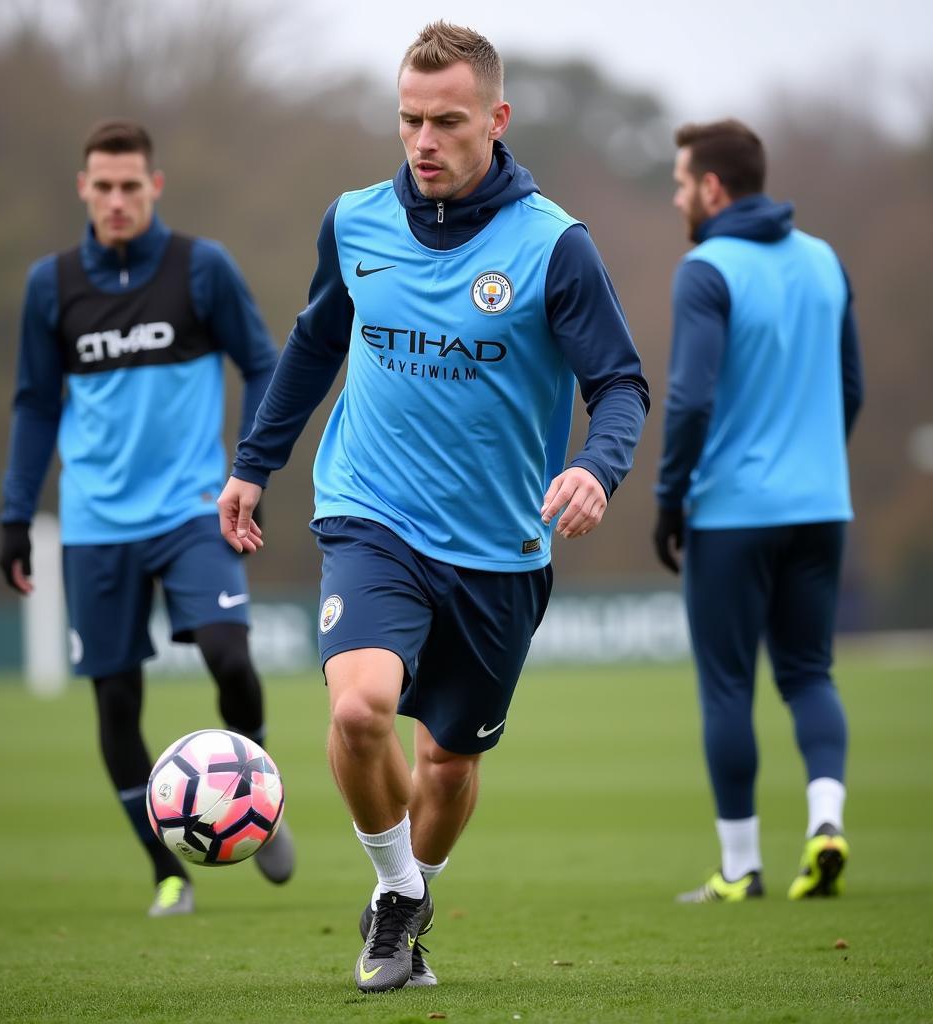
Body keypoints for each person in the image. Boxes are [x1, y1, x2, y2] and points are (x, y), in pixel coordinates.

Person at [218, 22, 649, 991]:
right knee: (360, 707)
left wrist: (596, 467)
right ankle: (396, 893)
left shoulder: (553, 245)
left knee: (446, 765)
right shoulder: (355, 221)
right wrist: (255, 460)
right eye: (408, 119)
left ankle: (401, 903)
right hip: (370, 512)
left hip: (500, 548)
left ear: (494, 119)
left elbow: (619, 383)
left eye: (446, 121)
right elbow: (314, 342)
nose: (422, 140)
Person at [0, 119, 294, 917]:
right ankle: (169, 871)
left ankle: (258, 794)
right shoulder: (49, 287)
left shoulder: (202, 269)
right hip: (95, 523)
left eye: (133, 185)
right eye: (105, 186)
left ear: (154, 186)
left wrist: (249, 470)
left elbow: (264, 363)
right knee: (116, 702)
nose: (119, 199)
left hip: (194, 507)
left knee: (231, 657)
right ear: (83, 189)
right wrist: (15, 514)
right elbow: (33, 403)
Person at [653, 119, 863, 903]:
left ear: (712, 187)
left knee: (727, 689)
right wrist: (813, 466)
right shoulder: (826, 260)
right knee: (810, 672)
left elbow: (690, 399)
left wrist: (669, 498)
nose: (678, 196)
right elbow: (852, 390)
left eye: (681, 183)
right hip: (821, 506)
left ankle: (740, 868)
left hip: (733, 513)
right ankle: (825, 823)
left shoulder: (706, 268)